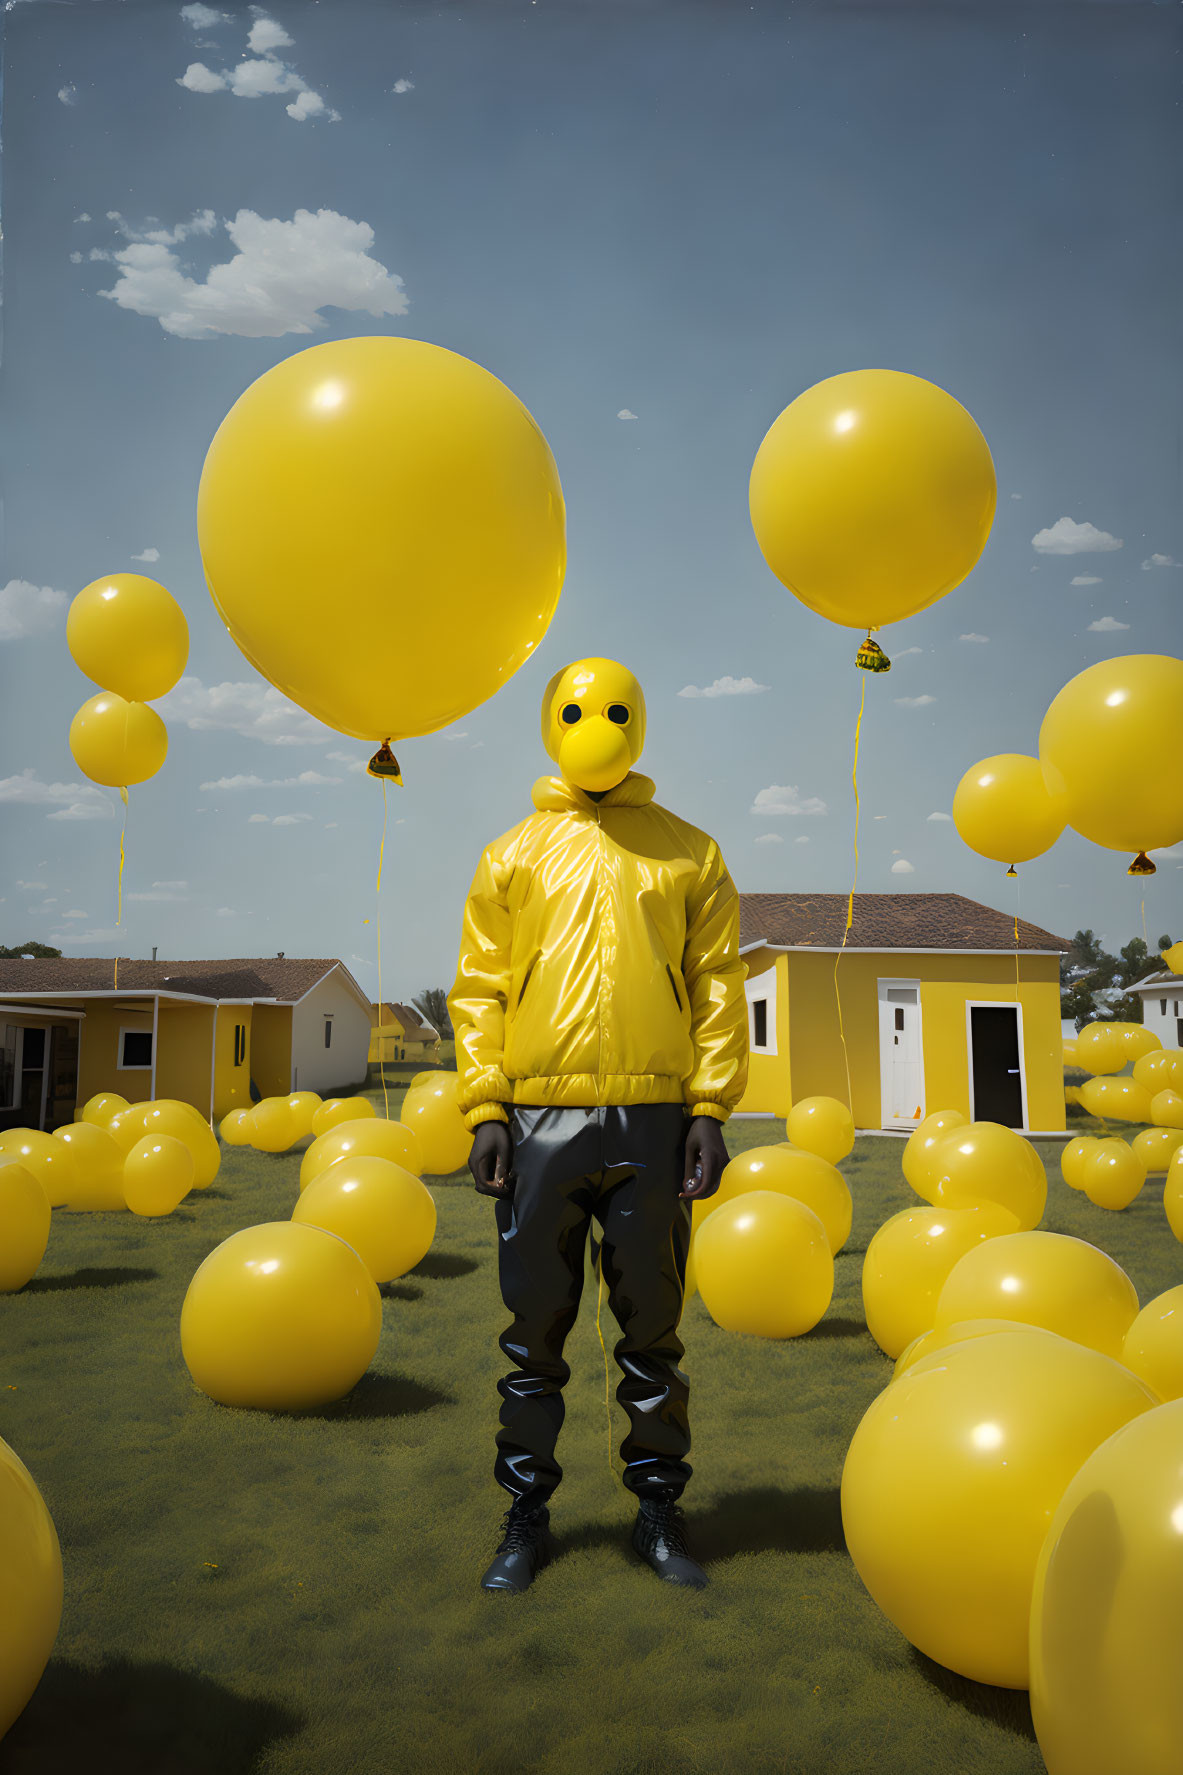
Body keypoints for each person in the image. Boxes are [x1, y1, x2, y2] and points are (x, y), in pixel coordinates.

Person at [448, 656, 748, 1594]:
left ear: (638, 719)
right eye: (579, 709)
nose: (597, 723)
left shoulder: (688, 852)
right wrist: (486, 1103)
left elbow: (716, 985)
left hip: (655, 1121)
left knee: (651, 1335)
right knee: (532, 1338)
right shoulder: (510, 854)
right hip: (537, 1118)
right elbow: (480, 989)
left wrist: (708, 1105)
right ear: (552, 719)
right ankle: (524, 1518)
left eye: (614, 709)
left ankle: (657, 1510)